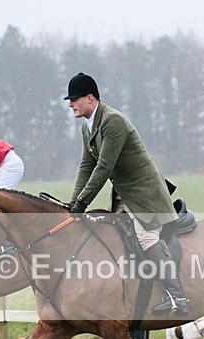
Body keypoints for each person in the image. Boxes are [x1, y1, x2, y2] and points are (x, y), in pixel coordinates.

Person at [64, 72, 189, 317]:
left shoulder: (113, 122)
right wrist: (73, 202)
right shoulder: (87, 128)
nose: (70, 104)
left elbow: (104, 167)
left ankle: (177, 297)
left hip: (145, 194)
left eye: (74, 99)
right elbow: (86, 166)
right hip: (125, 194)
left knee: (145, 238)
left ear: (90, 98)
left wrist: (83, 201)